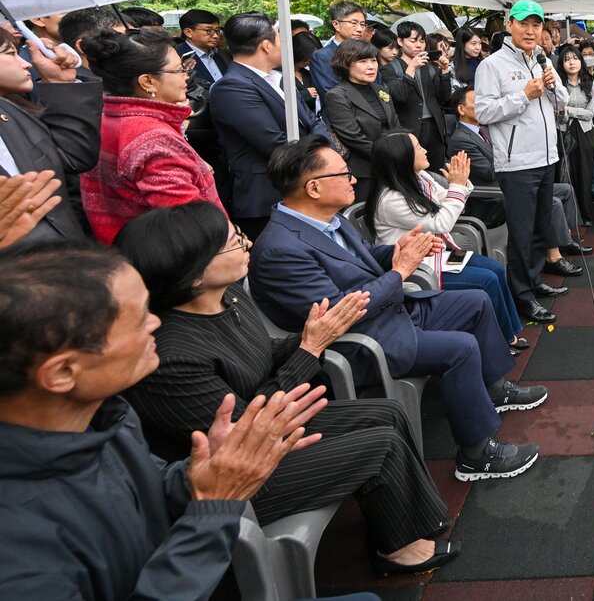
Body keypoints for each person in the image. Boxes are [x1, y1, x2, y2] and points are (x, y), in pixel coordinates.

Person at [114, 203, 458, 575]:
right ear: (194, 275)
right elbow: (249, 435)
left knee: (387, 412)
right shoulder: (172, 357)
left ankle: (407, 523)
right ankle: (397, 552)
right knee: (381, 445)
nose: (247, 245)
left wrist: (309, 338)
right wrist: (310, 348)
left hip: (267, 426)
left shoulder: (228, 296)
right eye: (233, 243)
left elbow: (264, 354)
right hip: (239, 478)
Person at [0, 240, 338, 600]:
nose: (156, 323)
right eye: (136, 319)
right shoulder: (18, 549)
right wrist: (214, 507)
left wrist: (202, 474)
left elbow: (145, 487)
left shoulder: (105, 416)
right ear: (62, 371)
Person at [249, 136, 546, 481]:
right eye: (343, 175)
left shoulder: (327, 219)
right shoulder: (281, 250)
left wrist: (394, 251)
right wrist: (399, 270)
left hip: (389, 310)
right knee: (460, 347)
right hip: (361, 341)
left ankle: (492, 389)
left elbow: (360, 259)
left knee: (476, 301)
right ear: (314, 188)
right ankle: (476, 455)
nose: (354, 180)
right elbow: (340, 313)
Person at [366, 130, 527, 350]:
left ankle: (508, 333)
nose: (424, 148)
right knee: (486, 279)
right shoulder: (391, 199)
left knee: (495, 269)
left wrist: (459, 184)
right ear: (403, 158)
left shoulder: (420, 177)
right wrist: (458, 186)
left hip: (439, 256)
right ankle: (500, 342)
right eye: (417, 147)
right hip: (419, 269)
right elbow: (442, 222)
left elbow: (447, 200)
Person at [447, 86, 588, 321]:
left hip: (512, 181)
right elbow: (488, 172)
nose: (483, 105)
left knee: (563, 190)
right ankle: (551, 260)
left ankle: (561, 246)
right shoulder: (461, 140)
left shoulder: (486, 130)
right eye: (477, 101)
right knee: (550, 204)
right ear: (462, 109)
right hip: (490, 198)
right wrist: (515, 159)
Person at [473, 0, 575, 317]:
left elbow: (564, 101)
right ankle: (521, 295)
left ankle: (533, 281)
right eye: (523, 23)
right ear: (510, 25)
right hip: (516, 164)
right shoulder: (492, 65)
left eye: (536, 25)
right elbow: (483, 112)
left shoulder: (542, 60)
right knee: (520, 232)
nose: (530, 31)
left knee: (539, 228)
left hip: (546, 158)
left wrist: (552, 86)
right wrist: (524, 95)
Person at [79, 27, 221, 243]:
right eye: (178, 70)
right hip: (175, 262)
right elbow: (193, 225)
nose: (186, 76)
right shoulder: (153, 139)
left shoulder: (109, 116)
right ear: (147, 81)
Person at [208, 11, 325, 241]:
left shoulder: (280, 77)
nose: (286, 46)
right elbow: (277, 145)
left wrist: (318, 139)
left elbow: (314, 121)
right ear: (265, 46)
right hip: (266, 198)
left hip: (300, 186)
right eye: (281, 39)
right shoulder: (232, 87)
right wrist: (321, 148)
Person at [0, 27, 101, 242]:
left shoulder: (11, 111)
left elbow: (74, 157)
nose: (26, 63)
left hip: (65, 258)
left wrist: (60, 84)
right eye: (10, 54)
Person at [321, 39, 401, 202]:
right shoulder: (337, 95)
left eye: (373, 60)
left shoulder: (380, 90)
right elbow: (353, 137)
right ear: (346, 64)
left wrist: (402, 149)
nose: (371, 66)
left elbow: (395, 125)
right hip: (364, 171)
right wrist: (389, 156)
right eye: (362, 61)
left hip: (392, 167)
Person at [381, 22, 453, 171]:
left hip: (434, 127)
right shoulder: (390, 68)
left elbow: (444, 98)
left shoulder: (430, 67)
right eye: (413, 41)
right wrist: (411, 68)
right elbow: (400, 96)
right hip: (409, 128)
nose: (419, 45)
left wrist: (445, 71)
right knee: (412, 172)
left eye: (422, 41)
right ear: (400, 41)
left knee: (436, 173)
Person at [558, 43, 594, 225]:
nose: (571, 63)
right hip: (563, 131)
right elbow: (557, 114)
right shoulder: (558, 86)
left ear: (581, 61)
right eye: (567, 60)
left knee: (584, 173)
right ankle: (567, 216)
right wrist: (566, 112)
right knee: (565, 173)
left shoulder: (591, 84)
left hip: (585, 132)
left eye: (575, 58)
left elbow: (591, 113)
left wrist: (568, 110)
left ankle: (585, 215)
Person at [309, 0, 369, 97]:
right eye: (354, 23)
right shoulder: (322, 56)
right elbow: (330, 93)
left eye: (363, 24)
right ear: (336, 24)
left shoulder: (367, 53)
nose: (360, 29)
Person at [174, 9, 227, 85]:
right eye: (208, 31)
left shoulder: (221, 54)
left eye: (217, 30)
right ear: (188, 32)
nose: (215, 36)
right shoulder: (178, 57)